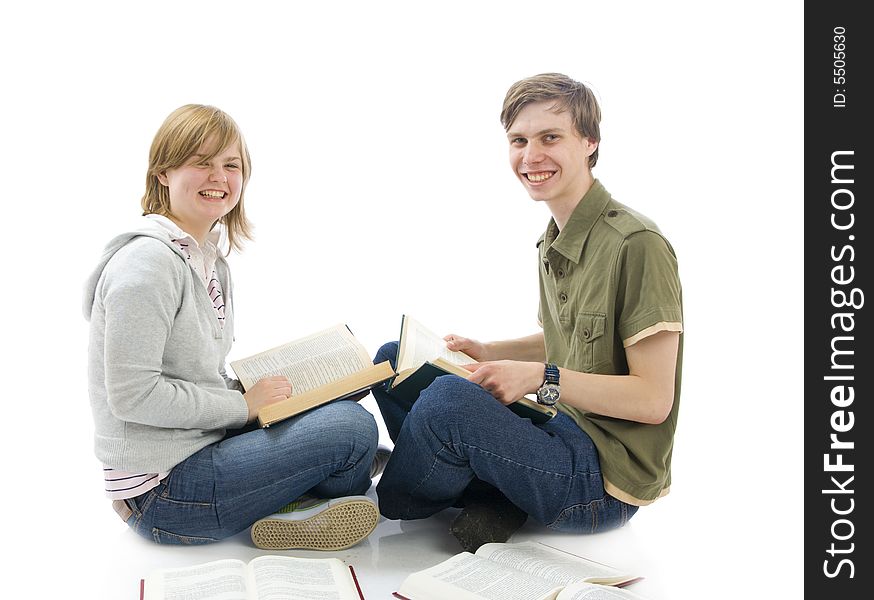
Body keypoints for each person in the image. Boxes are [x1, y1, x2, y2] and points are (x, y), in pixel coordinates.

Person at [371, 73, 684, 552]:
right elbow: (570, 338)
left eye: (550, 138)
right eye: (519, 140)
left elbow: (653, 399)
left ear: (590, 142)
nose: (531, 156)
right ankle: (495, 493)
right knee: (395, 359)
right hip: (556, 427)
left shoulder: (638, 244)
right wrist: (490, 351)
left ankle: (374, 500)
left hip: (599, 481)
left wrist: (539, 377)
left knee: (449, 404)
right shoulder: (552, 239)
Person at [83, 104, 386, 549]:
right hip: (164, 494)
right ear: (163, 172)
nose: (219, 177)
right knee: (352, 429)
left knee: (343, 403)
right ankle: (310, 497)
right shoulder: (147, 265)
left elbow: (194, 374)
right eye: (200, 162)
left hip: (197, 447)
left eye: (231, 165)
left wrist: (267, 394)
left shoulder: (206, 258)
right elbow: (134, 396)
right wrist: (243, 408)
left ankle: (317, 487)